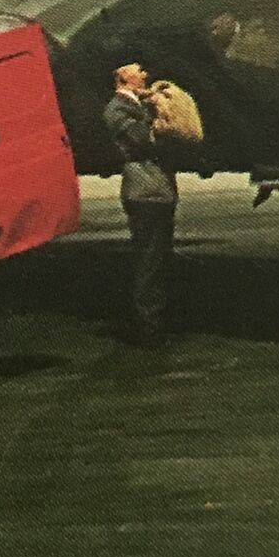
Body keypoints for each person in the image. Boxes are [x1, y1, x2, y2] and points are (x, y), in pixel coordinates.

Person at [103, 62, 178, 346]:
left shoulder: (135, 105)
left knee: (157, 258)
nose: (145, 74)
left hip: (157, 190)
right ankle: (149, 329)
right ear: (122, 76)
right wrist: (163, 112)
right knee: (149, 262)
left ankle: (155, 323)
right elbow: (145, 140)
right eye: (138, 70)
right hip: (145, 191)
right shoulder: (116, 109)